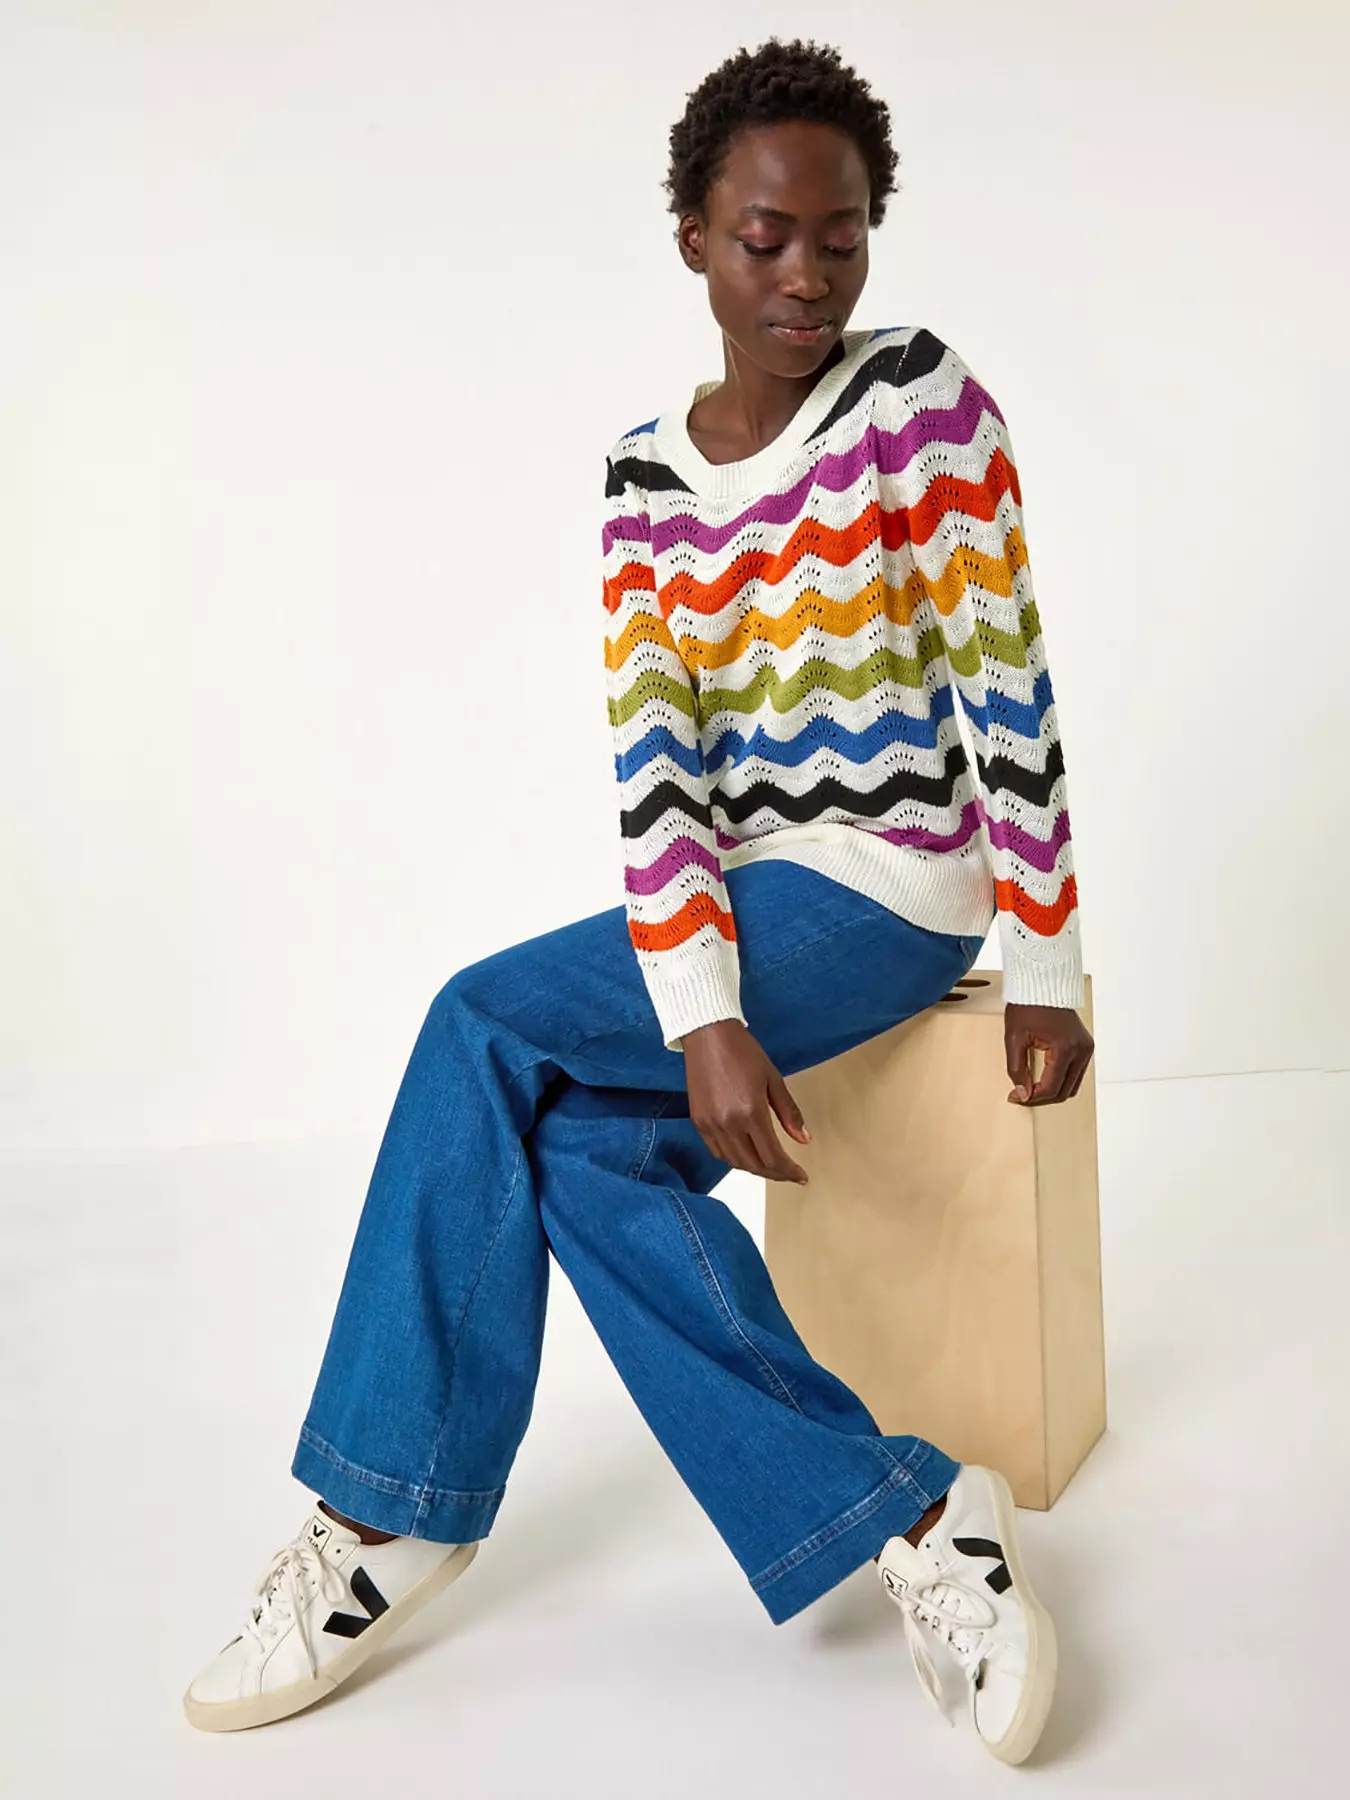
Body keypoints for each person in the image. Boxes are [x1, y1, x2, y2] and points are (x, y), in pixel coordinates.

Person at [183, 35, 1094, 1766]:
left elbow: (1005, 680)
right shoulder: (644, 477)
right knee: (583, 1157)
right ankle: (922, 1523)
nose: (807, 275)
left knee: (478, 1022)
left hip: (896, 889)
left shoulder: (919, 401)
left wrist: (1044, 957)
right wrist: (701, 1010)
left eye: (840, 236)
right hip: (744, 903)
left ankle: (383, 1518)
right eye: (765, 238)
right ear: (692, 237)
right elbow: (658, 774)